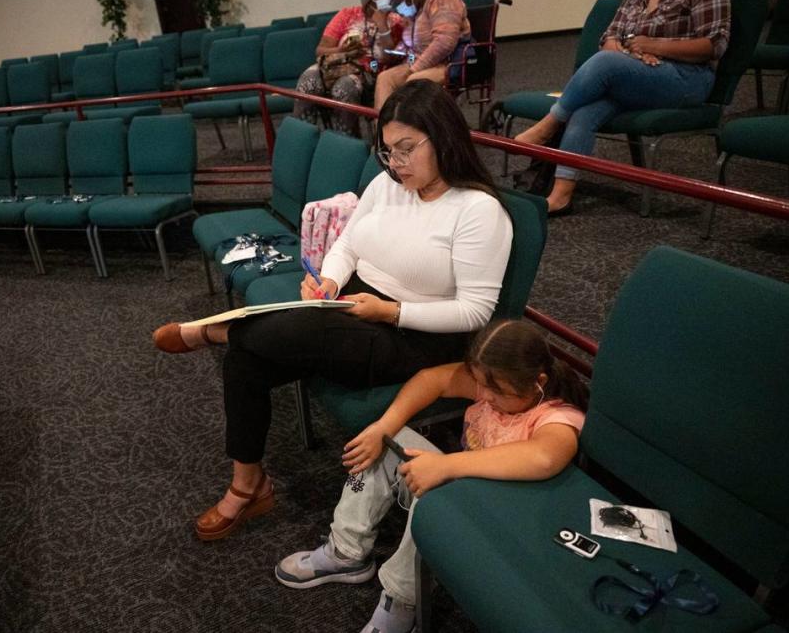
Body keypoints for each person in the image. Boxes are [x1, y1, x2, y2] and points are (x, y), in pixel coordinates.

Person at [153, 80, 513, 542]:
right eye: (387, 152)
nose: (396, 163)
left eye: (407, 149)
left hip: (415, 335)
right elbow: (348, 242)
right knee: (247, 361)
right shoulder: (388, 184)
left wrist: (391, 312)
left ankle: (218, 330)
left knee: (260, 338)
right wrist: (330, 280)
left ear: (444, 137)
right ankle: (249, 485)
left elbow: (475, 312)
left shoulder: (477, 211)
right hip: (359, 304)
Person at [275, 319, 589, 633]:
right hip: (462, 485)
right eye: (482, 387)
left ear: (538, 382)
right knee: (386, 444)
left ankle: (401, 600)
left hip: (499, 517)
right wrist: (384, 426)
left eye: (497, 392)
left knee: (435, 494)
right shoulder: (496, 382)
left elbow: (545, 457)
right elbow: (430, 379)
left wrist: (446, 466)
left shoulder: (557, 416)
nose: (486, 397)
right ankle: (346, 551)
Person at [514, 0, 731, 214]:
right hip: (640, 71)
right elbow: (608, 40)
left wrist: (655, 46)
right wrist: (635, 53)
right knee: (584, 109)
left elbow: (713, 45)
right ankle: (561, 196)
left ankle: (550, 123)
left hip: (687, 77)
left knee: (605, 63)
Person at [292, 0, 404, 136]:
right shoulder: (346, 15)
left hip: (368, 73)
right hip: (336, 65)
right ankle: (301, 139)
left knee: (344, 88)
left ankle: (346, 145)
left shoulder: (396, 21)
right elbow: (320, 51)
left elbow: (390, 58)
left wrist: (382, 25)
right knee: (308, 80)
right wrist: (342, 50)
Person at [372, 0, 472, 111]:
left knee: (412, 82)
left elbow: (444, 43)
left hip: (447, 63)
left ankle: (411, 126)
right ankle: (384, 127)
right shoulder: (419, 6)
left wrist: (413, 69)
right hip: (420, 62)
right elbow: (411, 42)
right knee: (385, 78)